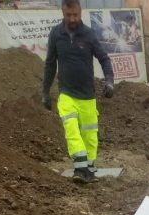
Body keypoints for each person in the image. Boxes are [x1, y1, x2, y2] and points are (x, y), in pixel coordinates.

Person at [42, 0, 115, 182]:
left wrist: (110, 81)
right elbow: (50, 64)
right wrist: (45, 92)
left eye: (75, 15)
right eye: (68, 15)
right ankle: (80, 169)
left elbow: (104, 58)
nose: (72, 19)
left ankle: (88, 169)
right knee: (71, 129)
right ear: (63, 13)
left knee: (90, 135)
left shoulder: (88, 35)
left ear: (80, 12)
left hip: (87, 96)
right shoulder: (56, 34)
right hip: (66, 94)